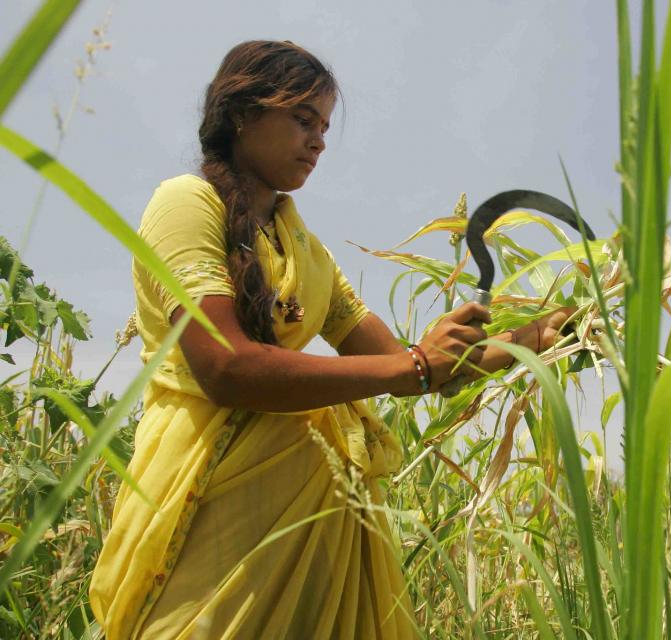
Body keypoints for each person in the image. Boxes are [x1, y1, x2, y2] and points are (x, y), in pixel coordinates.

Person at [89, 40, 569, 639]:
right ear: (241, 113)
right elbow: (225, 367)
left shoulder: (309, 255)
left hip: (313, 516)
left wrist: (538, 335)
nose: (318, 141)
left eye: (323, 126)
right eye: (302, 119)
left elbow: (409, 369)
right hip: (211, 504)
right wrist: (417, 366)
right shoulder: (186, 204)